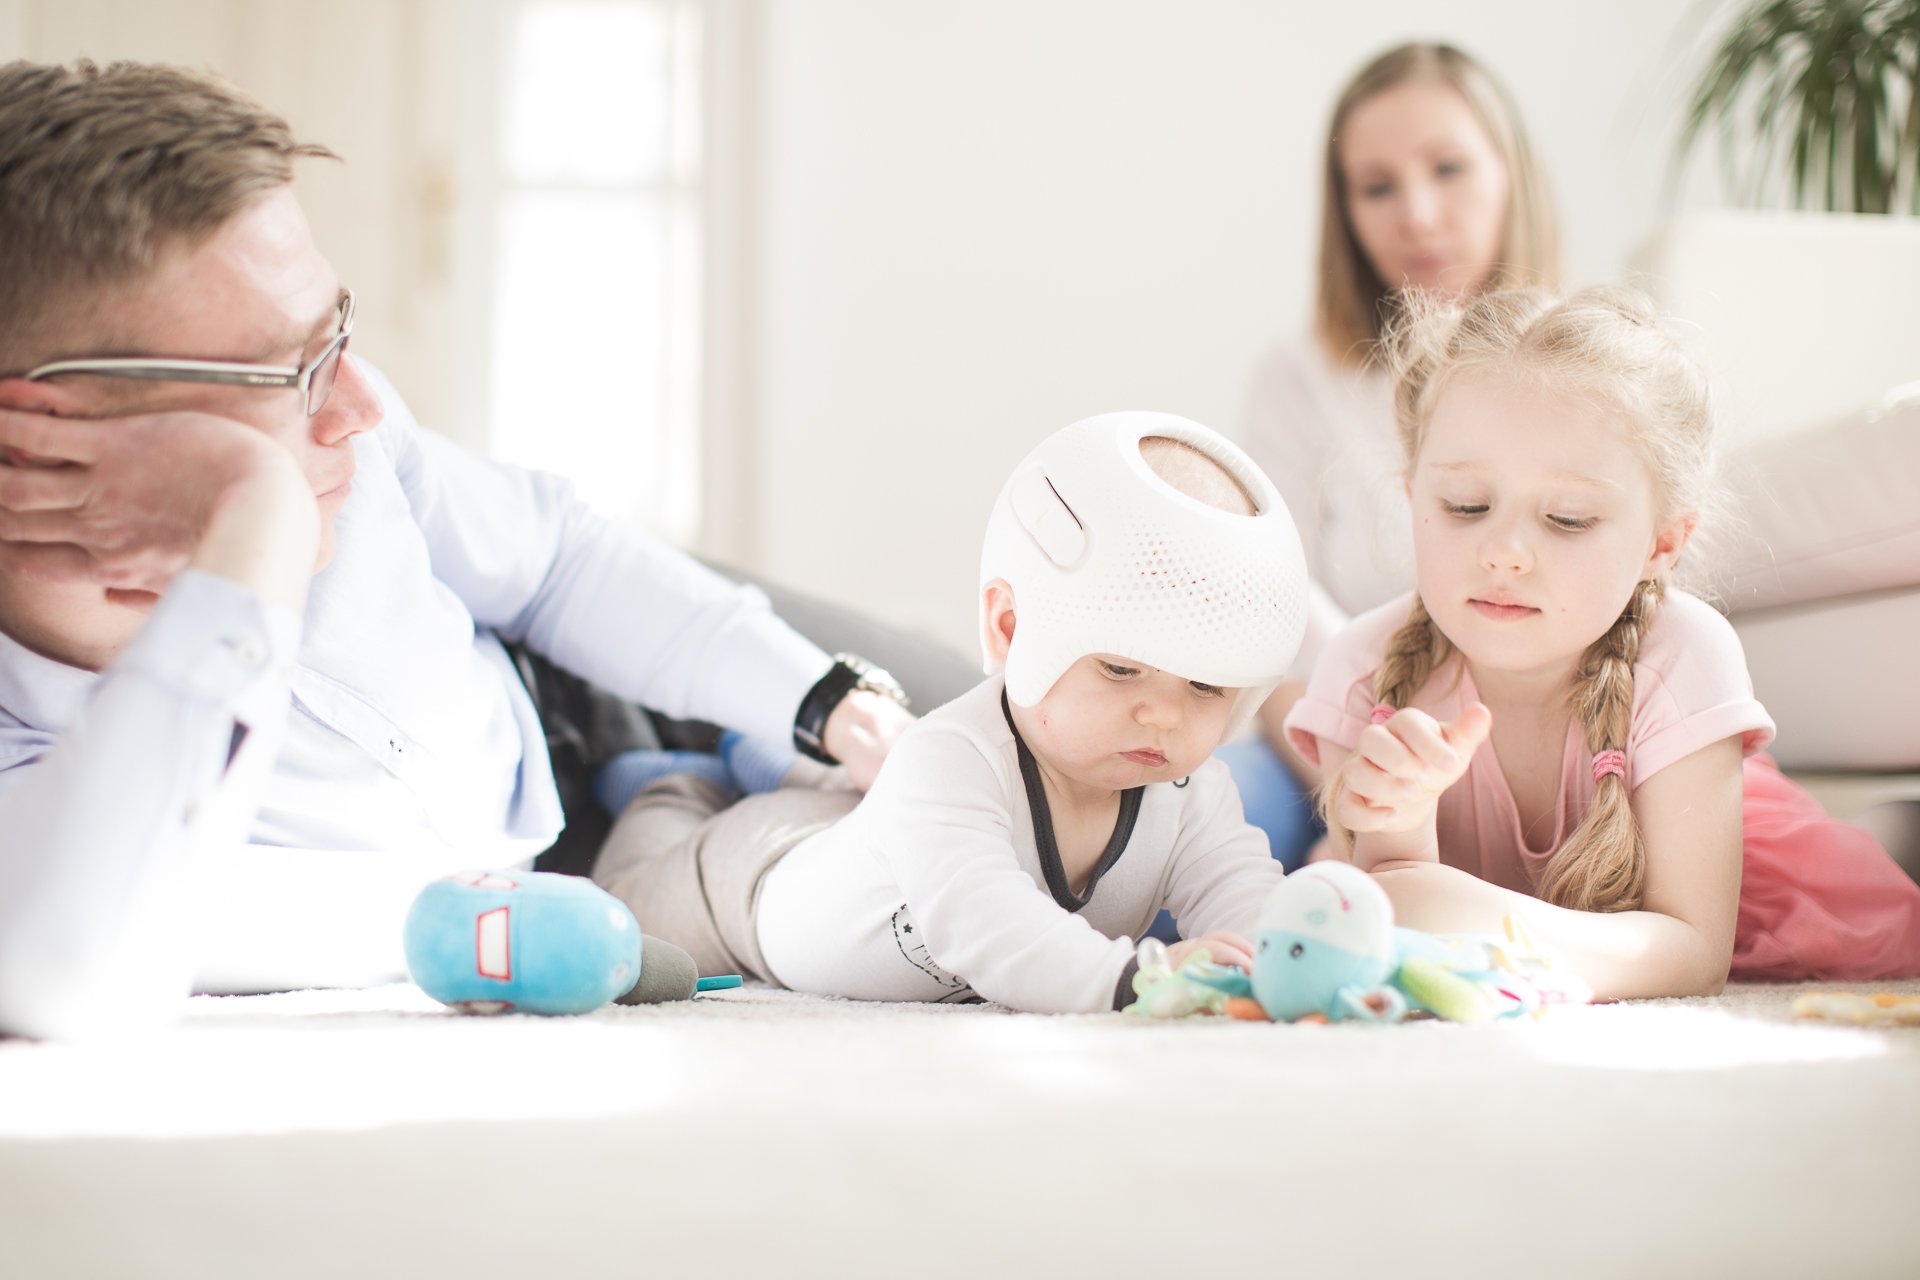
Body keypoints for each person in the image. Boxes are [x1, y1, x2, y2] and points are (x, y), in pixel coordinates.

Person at [0, 59, 914, 1039]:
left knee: (966, 711)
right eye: (288, 369)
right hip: (560, 892)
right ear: (39, 435)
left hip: (580, 684)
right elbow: (65, 962)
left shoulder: (345, 427)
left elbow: (559, 561)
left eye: (334, 330)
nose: (361, 402)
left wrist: (824, 697)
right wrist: (255, 522)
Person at [1284, 285, 1920, 998]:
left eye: (1567, 518)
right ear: (1412, 497)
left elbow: (1693, 950)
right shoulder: (1360, 672)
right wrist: (1403, 840)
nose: (1504, 552)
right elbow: (1394, 915)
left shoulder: (1683, 652)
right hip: (1576, 930)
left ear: (1663, 542)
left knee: (1877, 858)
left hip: (1734, 864)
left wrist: (1482, 923)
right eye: (1465, 506)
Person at [590, 413, 1311, 1013]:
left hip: (863, 819)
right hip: (745, 888)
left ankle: (769, 770)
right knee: (619, 924)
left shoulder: (1194, 795)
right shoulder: (950, 757)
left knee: (846, 802)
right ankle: (666, 783)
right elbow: (983, 918)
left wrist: (1286, 965)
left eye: (1206, 688)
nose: (1163, 715)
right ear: (1010, 630)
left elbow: (1241, 891)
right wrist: (1126, 982)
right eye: (1121, 668)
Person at [1223, 42, 1560, 871]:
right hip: (1319, 740)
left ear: (1508, 172)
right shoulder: (1299, 376)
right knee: (1166, 855)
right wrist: (1353, 778)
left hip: (1540, 754)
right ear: (1344, 211)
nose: (1415, 212)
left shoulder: (1587, 368)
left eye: (1447, 168)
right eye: (1377, 186)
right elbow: (1271, 628)